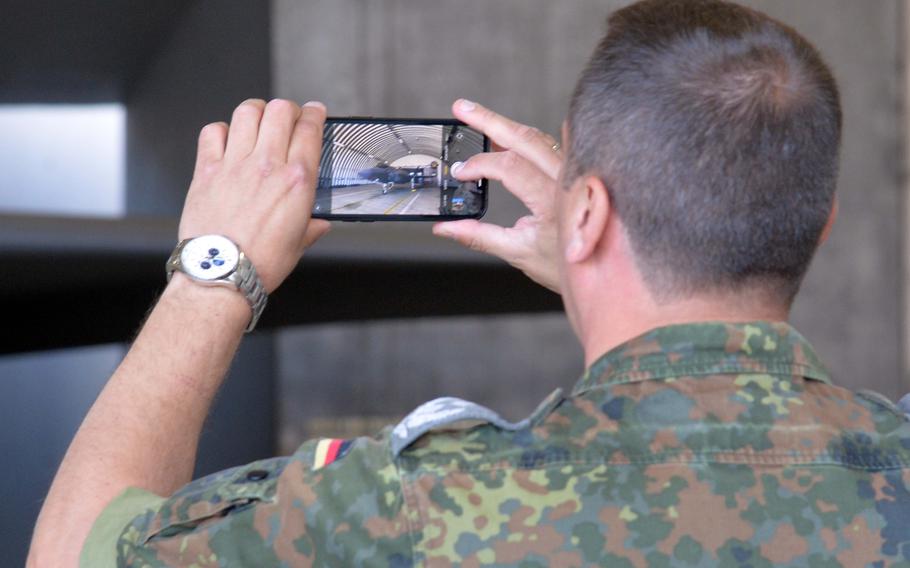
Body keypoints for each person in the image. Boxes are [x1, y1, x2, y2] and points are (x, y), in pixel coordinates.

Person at [29, 0, 910, 565]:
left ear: (589, 213)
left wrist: (212, 272)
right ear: (822, 223)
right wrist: (594, 255)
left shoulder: (410, 504)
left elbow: (75, 553)